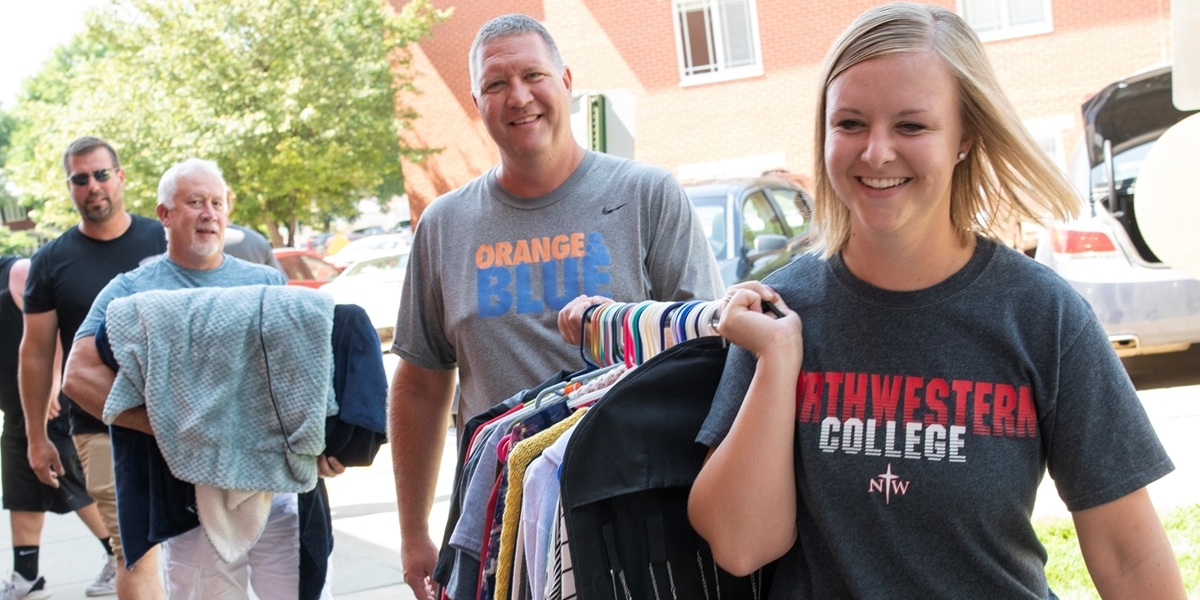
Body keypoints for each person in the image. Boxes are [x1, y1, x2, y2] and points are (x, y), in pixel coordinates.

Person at [688, 4, 1186, 598]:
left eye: (911, 126)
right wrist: (777, 362)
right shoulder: (779, 310)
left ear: (964, 136)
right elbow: (741, 547)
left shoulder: (1042, 315)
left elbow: (1130, 559)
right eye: (849, 123)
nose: (875, 153)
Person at [387, 13, 723, 598]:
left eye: (532, 75)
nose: (518, 97)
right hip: (498, 518)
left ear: (566, 81)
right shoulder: (444, 225)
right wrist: (414, 530)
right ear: (476, 101)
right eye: (496, 84)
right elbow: (419, 383)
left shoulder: (646, 196)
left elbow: (708, 359)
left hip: (629, 511)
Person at [60, 158, 345, 599]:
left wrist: (325, 442)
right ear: (164, 215)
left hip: (278, 492)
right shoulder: (131, 291)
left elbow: (306, 376)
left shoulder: (266, 282)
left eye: (217, 202)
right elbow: (77, 376)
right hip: (186, 497)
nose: (209, 212)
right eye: (194, 202)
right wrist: (178, 429)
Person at [19, 136, 167, 598]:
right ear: (69, 187)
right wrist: (36, 437)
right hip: (98, 424)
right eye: (80, 179)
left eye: (101, 174)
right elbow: (36, 352)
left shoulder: (164, 239)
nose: (93, 186)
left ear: (120, 177)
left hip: (179, 416)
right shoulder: (50, 262)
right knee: (133, 548)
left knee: (196, 544)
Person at [0, 256, 114, 599]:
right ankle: (26, 574)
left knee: (69, 480)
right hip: (16, 410)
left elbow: (50, 330)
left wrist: (51, 381)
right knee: (21, 488)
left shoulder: (17, 271)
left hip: (46, 404)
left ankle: (120, 555)